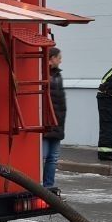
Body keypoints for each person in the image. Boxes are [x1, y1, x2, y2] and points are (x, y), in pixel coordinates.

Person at [43, 47, 66, 189]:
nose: (61, 60)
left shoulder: (57, 75)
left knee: (52, 158)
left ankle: (48, 187)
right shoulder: (44, 74)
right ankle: (41, 186)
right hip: (46, 123)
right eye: (59, 57)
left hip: (57, 123)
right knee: (44, 157)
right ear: (51, 58)